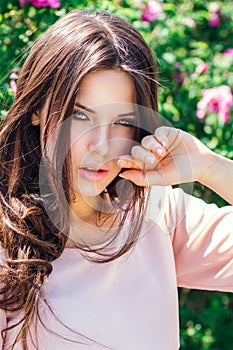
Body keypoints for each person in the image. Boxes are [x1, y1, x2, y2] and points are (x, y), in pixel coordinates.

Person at [0, 9, 232, 350]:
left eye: (122, 121)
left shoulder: (156, 212)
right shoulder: (8, 243)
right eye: (80, 116)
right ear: (37, 109)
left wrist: (207, 166)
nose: (101, 145)